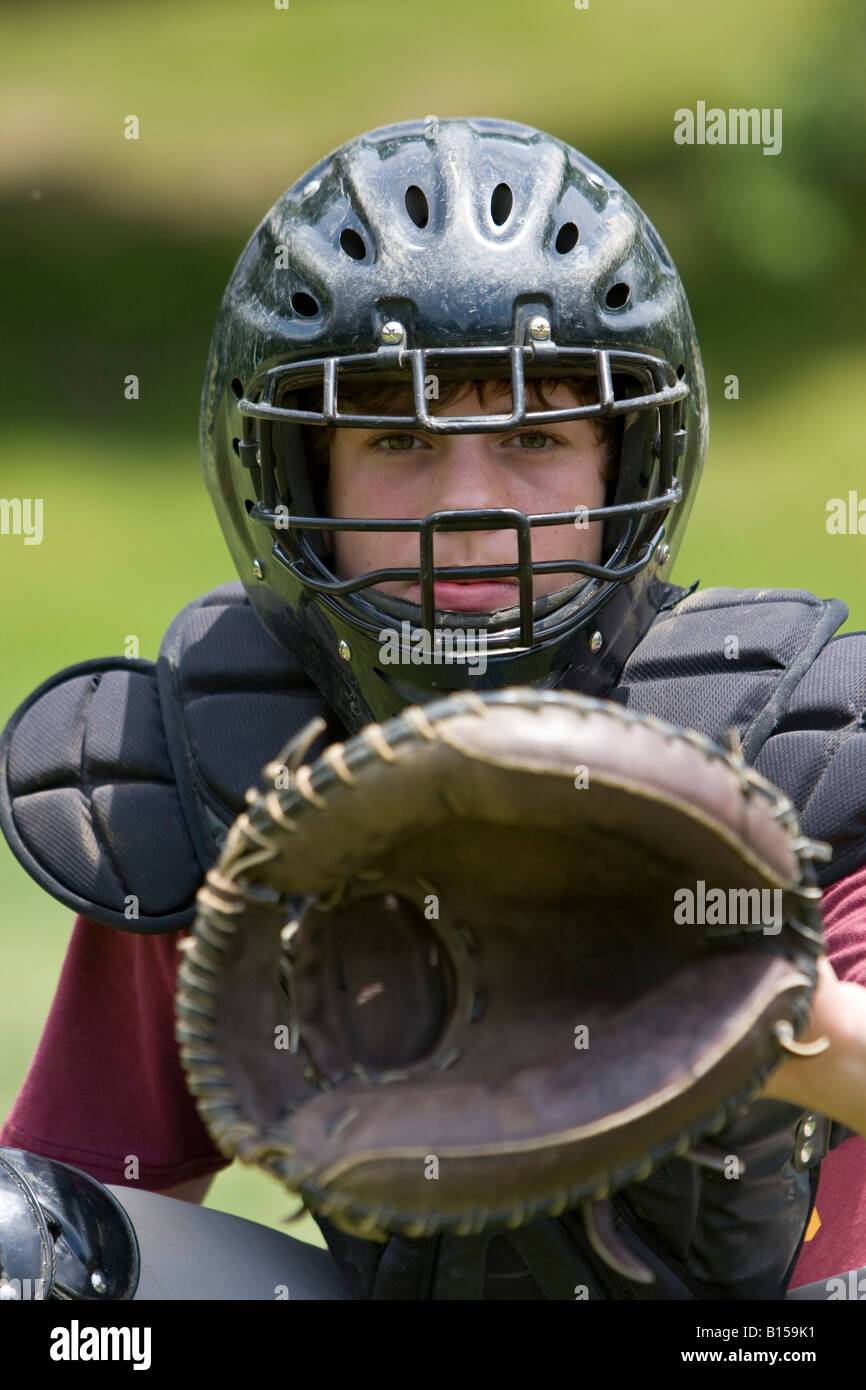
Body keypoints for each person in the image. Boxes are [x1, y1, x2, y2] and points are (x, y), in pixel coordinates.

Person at [2, 116, 865, 1299]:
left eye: (533, 436)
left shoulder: (794, 745)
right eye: (398, 437)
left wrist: (744, 1000)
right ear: (295, 475)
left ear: (631, 462)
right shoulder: (233, 762)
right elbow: (78, 1188)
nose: (467, 503)